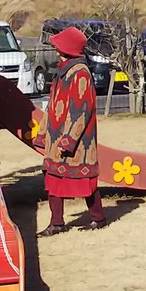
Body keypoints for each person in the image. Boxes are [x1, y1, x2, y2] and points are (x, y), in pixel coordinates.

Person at [41, 25, 103, 234]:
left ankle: (98, 217)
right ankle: (56, 222)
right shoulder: (62, 71)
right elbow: (52, 105)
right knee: (53, 178)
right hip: (55, 134)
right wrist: (44, 133)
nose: (56, 50)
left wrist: (69, 139)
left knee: (84, 181)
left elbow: (82, 110)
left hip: (77, 141)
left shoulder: (80, 74)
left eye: (59, 46)